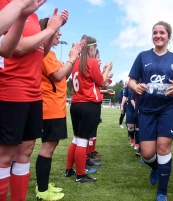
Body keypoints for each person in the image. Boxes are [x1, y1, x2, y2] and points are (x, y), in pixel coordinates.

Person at [0, 2, 67, 200]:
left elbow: (40, 52)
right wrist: (51, 30)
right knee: (5, 156)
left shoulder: (34, 16)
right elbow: (18, 48)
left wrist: (50, 31)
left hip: (34, 93)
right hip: (11, 90)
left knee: (26, 151)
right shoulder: (7, 5)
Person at [128, 21, 173, 201]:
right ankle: (156, 168)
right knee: (147, 153)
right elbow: (130, 80)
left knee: (163, 148)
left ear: (168, 36)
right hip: (146, 109)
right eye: (155, 32)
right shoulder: (142, 56)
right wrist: (135, 86)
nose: (158, 35)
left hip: (168, 108)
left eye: (162, 33)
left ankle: (162, 192)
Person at [35, 17, 84, 200]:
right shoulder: (45, 54)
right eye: (57, 31)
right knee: (47, 147)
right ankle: (42, 191)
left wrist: (73, 56)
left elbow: (64, 74)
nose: (60, 34)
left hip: (56, 106)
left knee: (51, 145)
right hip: (49, 107)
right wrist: (72, 58)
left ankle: (43, 185)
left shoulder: (51, 54)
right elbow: (57, 76)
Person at [65, 35, 112, 183]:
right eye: (95, 49)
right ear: (91, 48)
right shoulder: (91, 62)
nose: (95, 51)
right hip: (89, 105)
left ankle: (68, 169)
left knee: (76, 139)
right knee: (83, 141)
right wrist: (107, 69)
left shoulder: (75, 62)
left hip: (76, 104)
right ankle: (80, 175)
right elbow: (102, 82)